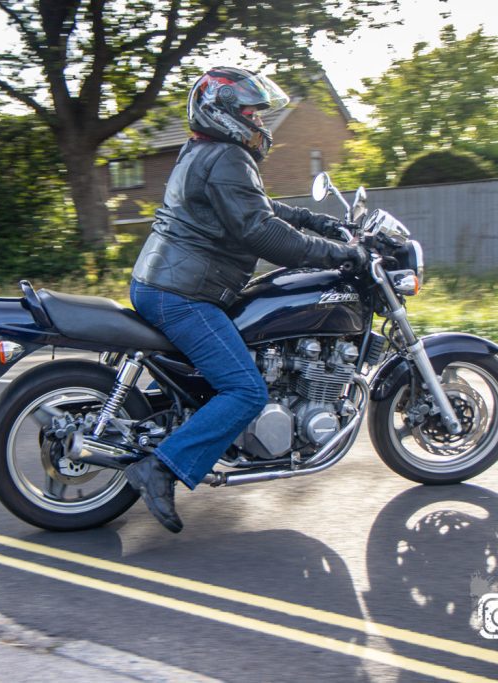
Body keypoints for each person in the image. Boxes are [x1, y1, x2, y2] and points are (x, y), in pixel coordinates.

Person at [124, 66, 367, 533]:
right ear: (225, 114)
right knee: (246, 389)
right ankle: (161, 467)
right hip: (182, 294)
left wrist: (320, 224)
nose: (259, 121)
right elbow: (259, 232)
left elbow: (262, 208)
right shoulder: (226, 157)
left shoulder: (205, 153)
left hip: (167, 284)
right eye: (252, 111)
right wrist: (339, 255)